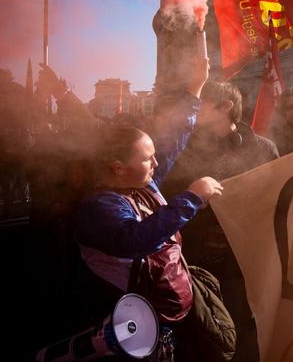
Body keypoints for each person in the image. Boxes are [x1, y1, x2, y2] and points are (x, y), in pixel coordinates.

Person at [74, 125, 223, 357]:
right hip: (137, 325)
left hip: (168, 313)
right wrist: (191, 198)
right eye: (147, 159)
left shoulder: (140, 185)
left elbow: (174, 144)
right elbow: (135, 241)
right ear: (118, 168)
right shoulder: (98, 207)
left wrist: (194, 93)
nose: (156, 164)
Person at [162, 79, 279, 362]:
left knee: (243, 326)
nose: (195, 108)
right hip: (198, 259)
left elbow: (276, 199)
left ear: (226, 107)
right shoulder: (187, 148)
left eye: (203, 102)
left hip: (242, 261)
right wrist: (192, 199)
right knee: (206, 331)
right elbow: (168, 193)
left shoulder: (263, 149)